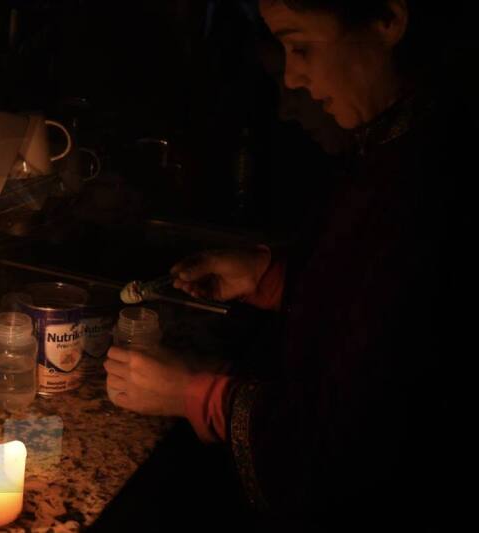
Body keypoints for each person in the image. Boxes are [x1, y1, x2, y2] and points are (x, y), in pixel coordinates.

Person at [104, 0, 472, 529]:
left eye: (301, 47)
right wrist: (271, 277)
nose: (293, 77)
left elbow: (350, 447)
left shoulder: (435, 181)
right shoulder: (392, 144)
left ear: (387, 20)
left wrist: (194, 394)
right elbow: (365, 295)